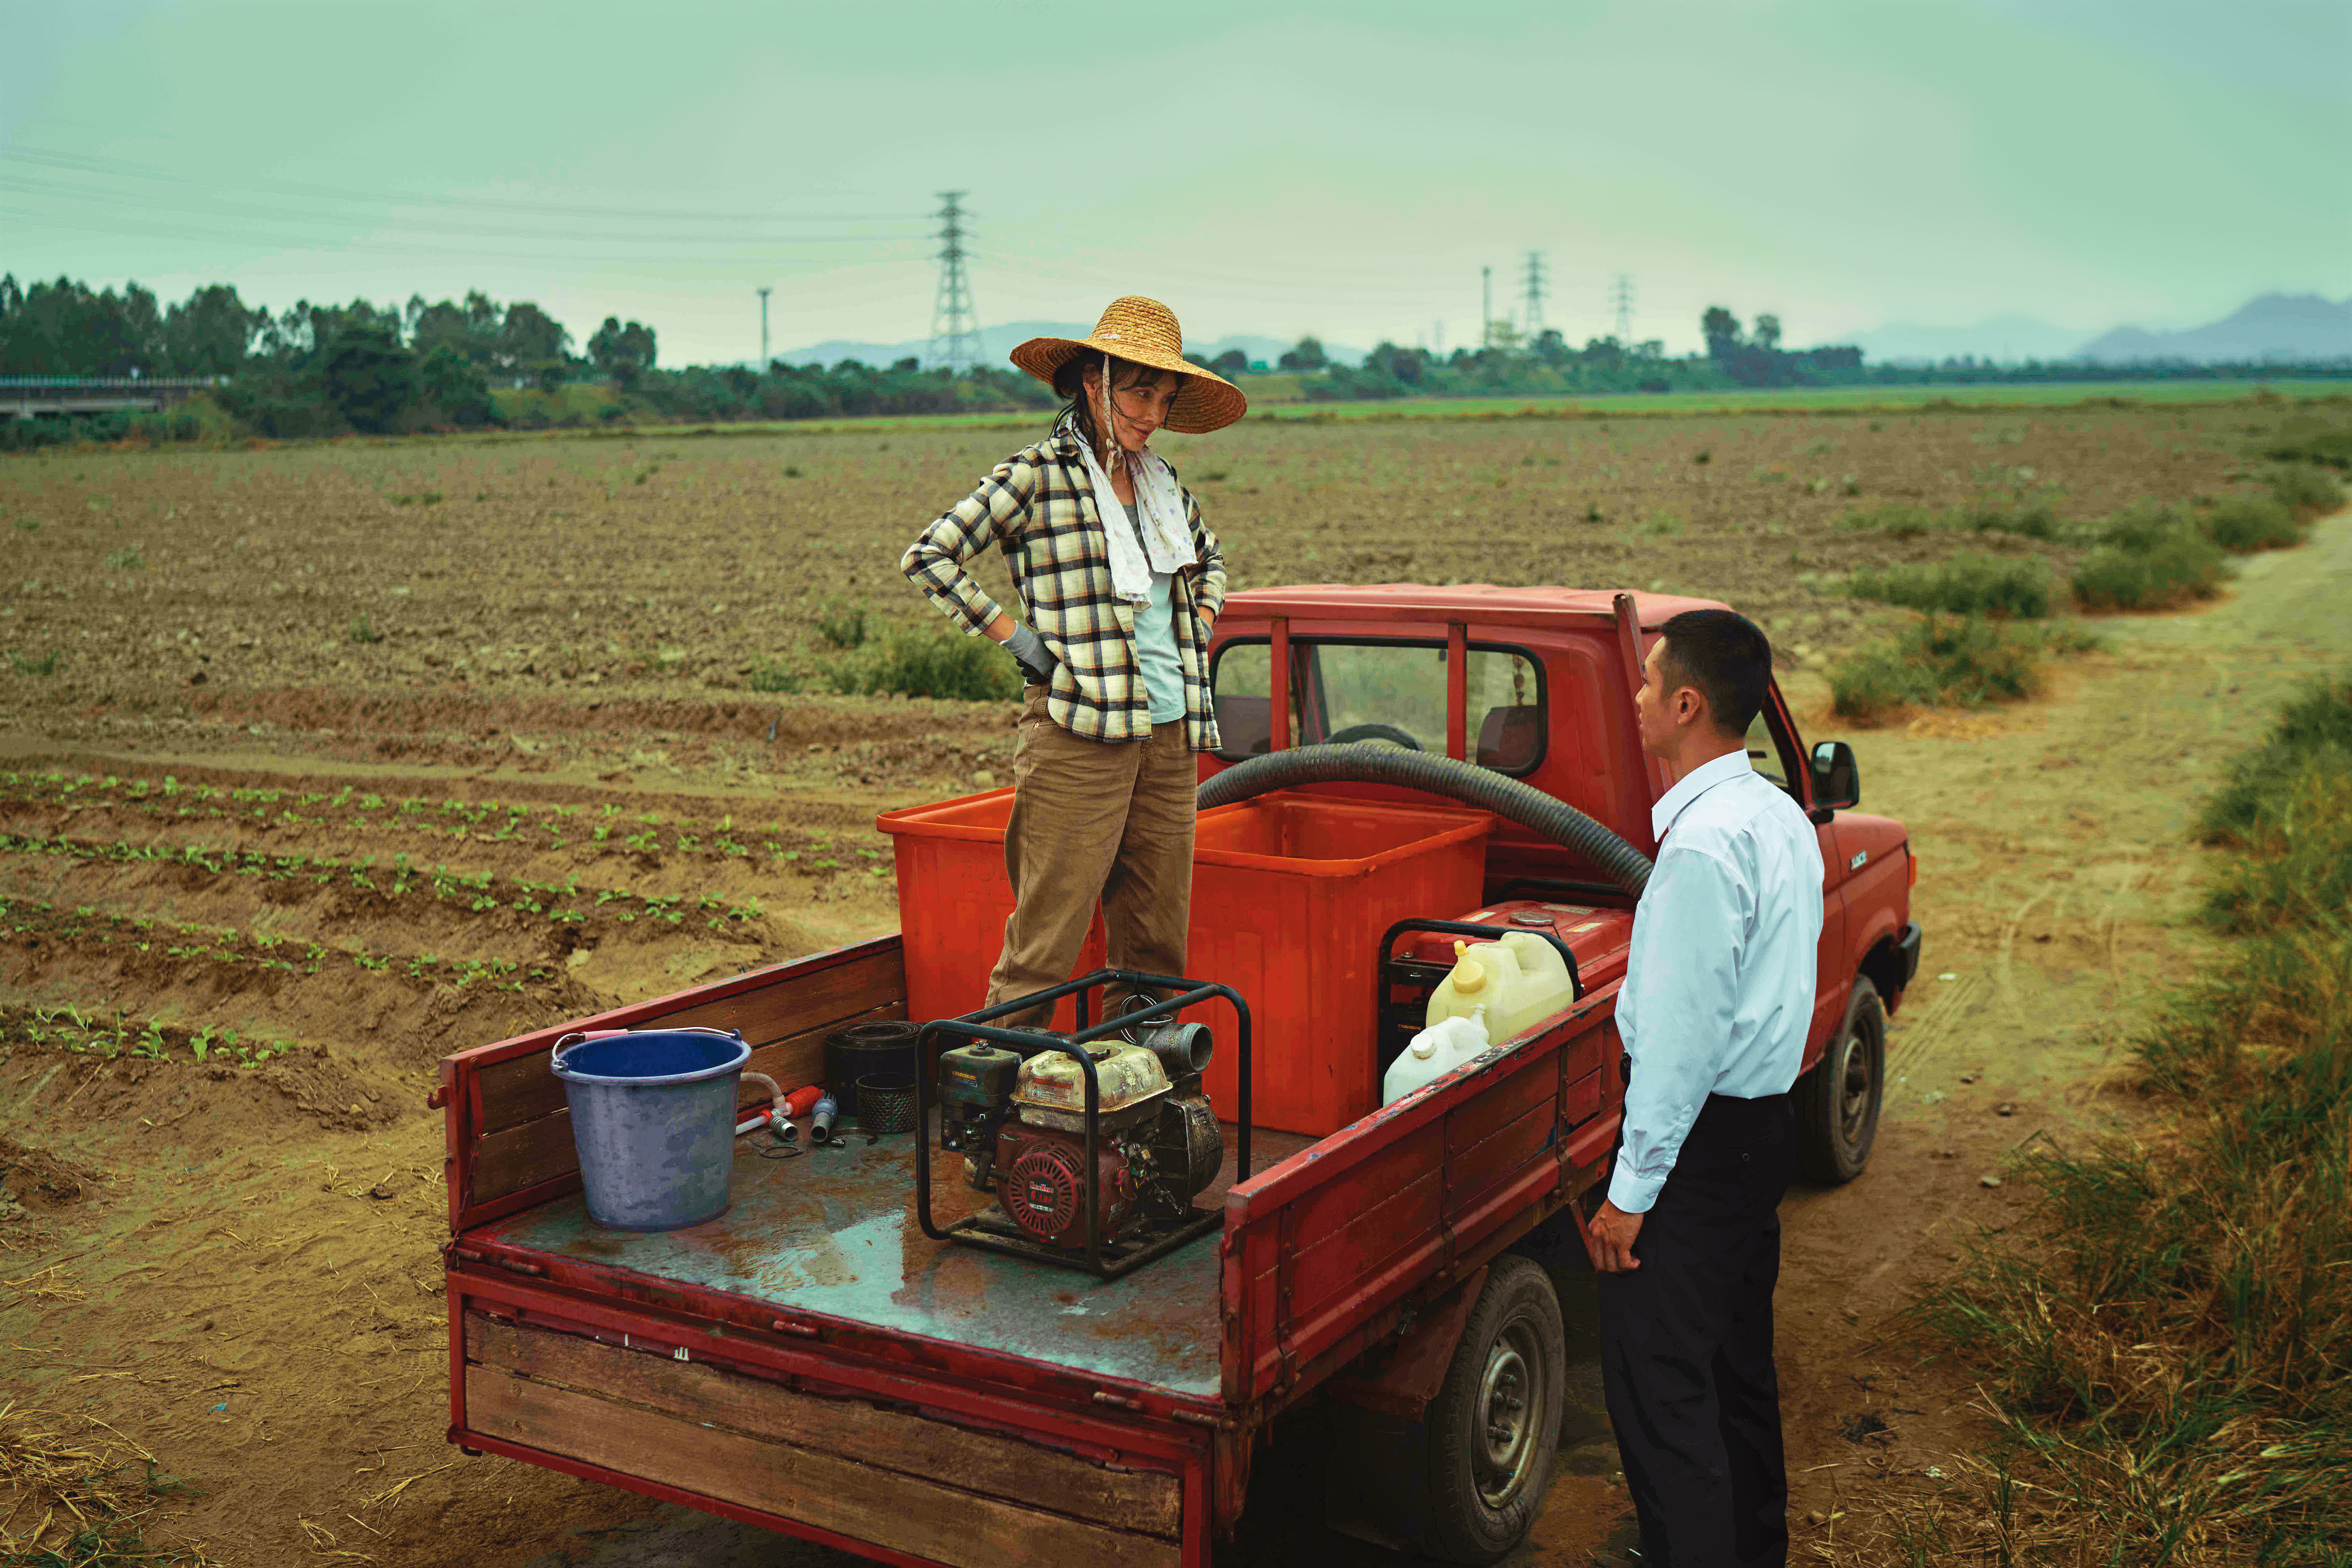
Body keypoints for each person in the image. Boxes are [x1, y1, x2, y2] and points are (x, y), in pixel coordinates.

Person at [899, 296, 1245, 1025]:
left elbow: (1210, 561)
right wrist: (1021, 643)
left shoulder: (1161, 484)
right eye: (1138, 391)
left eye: (1164, 396)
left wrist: (1199, 622)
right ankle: (992, 1113)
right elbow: (931, 555)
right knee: (1044, 943)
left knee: (1155, 944)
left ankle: (1141, 1092)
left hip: (1170, 732)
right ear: (1093, 381)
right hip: (1078, 733)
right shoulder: (1036, 477)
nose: (1151, 412)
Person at [1583, 608, 1825, 1568]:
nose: (1636, 697)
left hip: (1692, 1146)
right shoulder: (1775, 816)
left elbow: (1681, 1046)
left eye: (1647, 683)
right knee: (1734, 1373)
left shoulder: (1695, 849)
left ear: (1686, 706)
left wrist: (1627, 1200)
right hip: (1757, 1131)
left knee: (1662, 1397)